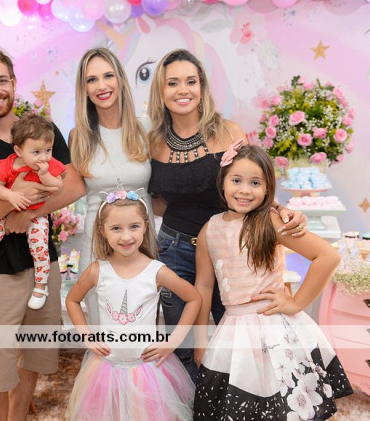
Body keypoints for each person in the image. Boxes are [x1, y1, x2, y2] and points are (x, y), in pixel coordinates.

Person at [146, 48, 307, 381]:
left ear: (202, 86)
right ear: (160, 90)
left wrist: (280, 208)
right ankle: (194, 405)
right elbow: (158, 201)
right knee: (184, 346)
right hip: (174, 249)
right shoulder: (153, 142)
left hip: (229, 249)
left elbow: (251, 181)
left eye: (191, 81)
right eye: (172, 83)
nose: (182, 90)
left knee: (235, 342)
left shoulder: (229, 131)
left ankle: (236, 404)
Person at [0, 48, 81, 421]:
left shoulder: (42, 132)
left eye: (1, 80)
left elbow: (74, 185)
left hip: (41, 267)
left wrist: (30, 213)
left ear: (14, 82)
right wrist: (8, 208)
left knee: (32, 357)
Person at [192, 144, 353, 420]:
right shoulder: (210, 229)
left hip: (275, 329)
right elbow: (204, 286)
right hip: (233, 330)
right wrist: (200, 339)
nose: (245, 190)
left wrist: (296, 303)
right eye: (236, 180)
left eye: (255, 183)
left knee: (284, 403)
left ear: (268, 189)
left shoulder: (270, 221)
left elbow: (327, 256)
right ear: (222, 182)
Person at [65, 186, 201, 421]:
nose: (126, 236)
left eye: (134, 227)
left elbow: (194, 298)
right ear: (102, 230)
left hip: (147, 372)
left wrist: (174, 341)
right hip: (105, 370)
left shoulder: (156, 271)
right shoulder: (98, 270)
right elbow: (72, 300)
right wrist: (86, 335)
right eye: (116, 228)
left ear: (146, 226)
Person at [70, 47, 152, 326]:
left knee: (141, 333)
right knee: (102, 331)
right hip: (98, 248)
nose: (101, 86)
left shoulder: (146, 129)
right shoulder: (78, 137)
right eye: (91, 80)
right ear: (84, 89)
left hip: (141, 244)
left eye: (108, 76)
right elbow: (67, 190)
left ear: (120, 79)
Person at [0, 114, 65, 310]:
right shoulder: (9, 164)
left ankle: (41, 286)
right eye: (36, 152)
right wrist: (10, 196)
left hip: (37, 214)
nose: (44, 157)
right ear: (19, 150)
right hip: (8, 211)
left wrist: (45, 175)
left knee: (40, 245)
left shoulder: (49, 165)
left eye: (48, 150)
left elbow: (57, 186)